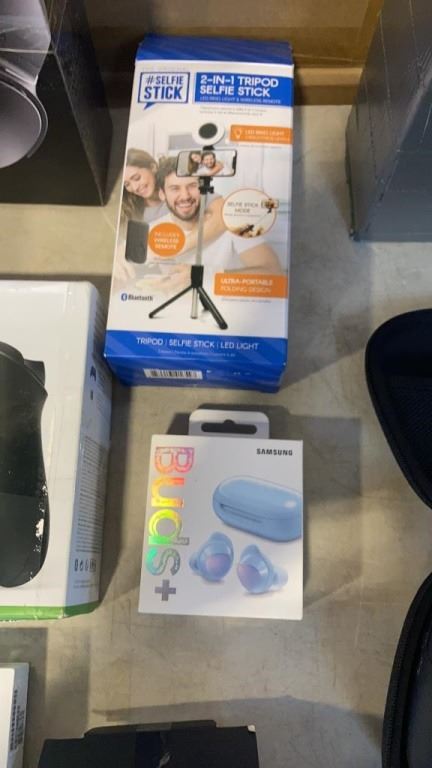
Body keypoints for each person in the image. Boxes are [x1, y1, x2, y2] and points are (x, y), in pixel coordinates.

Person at [144, 156, 281, 294]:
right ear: (162, 194)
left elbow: (274, 274)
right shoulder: (151, 231)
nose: (185, 196)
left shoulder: (234, 221)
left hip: (224, 305)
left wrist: (206, 276)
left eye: (192, 186)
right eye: (175, 189)